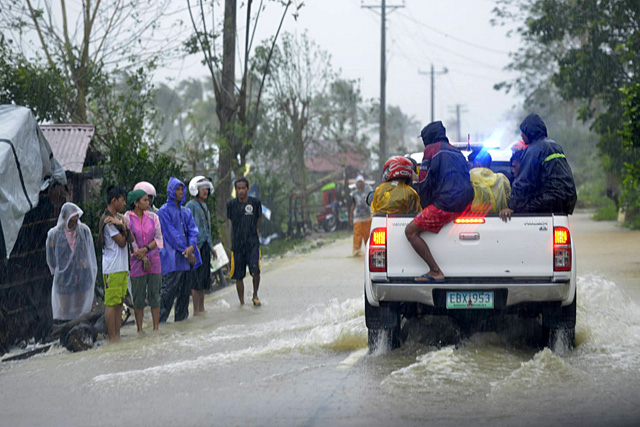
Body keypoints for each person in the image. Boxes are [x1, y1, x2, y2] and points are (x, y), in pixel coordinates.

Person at [405, 121, 474, 282]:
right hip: (466, 204)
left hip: (446, 204)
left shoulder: (431, 150)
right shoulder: (457, 152)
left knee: (410, 231)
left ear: (427, 138)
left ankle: (435, 271)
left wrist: (425, 206)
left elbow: (424, 181)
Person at [500, 114, 577, 221]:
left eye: (523, 132)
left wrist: (513, 207)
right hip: (567, 200)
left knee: (524, 207)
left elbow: (524, 183)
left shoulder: (534, 150)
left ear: (529, 132)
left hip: (550, 199)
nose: (521, 135)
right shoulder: (555, 146)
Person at [157, 177, 202, 322]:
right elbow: (171, 235)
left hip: (187, 260)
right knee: (167, 295)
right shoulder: (163, 212)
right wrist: (187, 250)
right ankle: (160, 325)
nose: (181, 192)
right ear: (171, 191)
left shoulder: (186, 211)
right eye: (177, 189)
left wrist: (191, 247)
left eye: (182, 189)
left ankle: (181, 325)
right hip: (172, 260)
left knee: (184, 296)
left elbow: (193, 231)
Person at [46, 203, 97, 322]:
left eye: (76, 218)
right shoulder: (54, 234)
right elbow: (51, 256)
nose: (74, 222)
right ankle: (65, 328)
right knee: (64, 306)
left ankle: (81, 327)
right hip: (63, 277)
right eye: (71, 219)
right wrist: (57, 270)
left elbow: (90, 252)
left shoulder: (84, 231)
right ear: (64, 217)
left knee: (81, 305)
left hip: (82, 274)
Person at [125, 189, 163, 333]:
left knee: (155, 294)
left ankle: (156, 328)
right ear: (136, 203)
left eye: (148, 200)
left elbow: (158, 238)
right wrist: (141, 256)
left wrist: (145, 250)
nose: (148, 203)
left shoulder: (154, 217)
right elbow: (130, 239)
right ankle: (139, 329)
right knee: (138, 297)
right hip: (136, 261)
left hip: (154, 260)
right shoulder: (127, 218)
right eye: (145, 200)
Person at [97, 185, 132, 342]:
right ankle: (112, 337)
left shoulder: (118, 219)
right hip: (112, 267)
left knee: (119, 302)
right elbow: (122, 242)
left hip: (122, 266)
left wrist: (123, 226)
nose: (124, 204)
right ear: (114, 200)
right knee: (111, 303)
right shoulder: (108, 221)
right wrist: (123, 227)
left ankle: (117, 335)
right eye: (122, 200)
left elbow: (130, 239)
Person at [227, 177, 262, 306]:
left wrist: (254, 233)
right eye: (238, 188)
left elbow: (258, 220)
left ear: (247, 189)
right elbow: (231, 221)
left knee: (255, 270)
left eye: (243, 188)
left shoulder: (255, 203)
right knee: (238, 275)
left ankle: (255, 295)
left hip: (252, 243)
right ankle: (241, 302)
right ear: (235, 190)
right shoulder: (231, 205)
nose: (241, 191)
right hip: (237, 245)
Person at [186, 176, 216, 315]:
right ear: (195, 189)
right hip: (195, 247)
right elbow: (187, 227)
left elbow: (206, 229)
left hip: (204, 247)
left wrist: (211, 248)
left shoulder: (204, 206)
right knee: (195, 279)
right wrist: (191, 247)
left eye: (207, 188)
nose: (206, 191)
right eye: (203, 188)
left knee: (204, 279)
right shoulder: (190, 206)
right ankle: (196, 310)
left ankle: (202, 309)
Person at [467, 149, 511, 213]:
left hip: (473, 219)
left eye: (469, 165)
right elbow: (510, 200)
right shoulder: (502, 179)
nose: (469, 168)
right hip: (502, 218)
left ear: (477, 164)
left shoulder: (470, 177)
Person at [349, 175, 373, 256]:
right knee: (357, 234)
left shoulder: (368, 190)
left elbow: (373, 202)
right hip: (358, 218)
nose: (360, 184)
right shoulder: (354, 194)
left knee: (367, 235)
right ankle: (356, 250)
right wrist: (351, 217)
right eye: (358, 183)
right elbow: (353, 205)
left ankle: (369, 250)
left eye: (361, 182)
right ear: (356, 184)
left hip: (367, 217)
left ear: (363, 183)